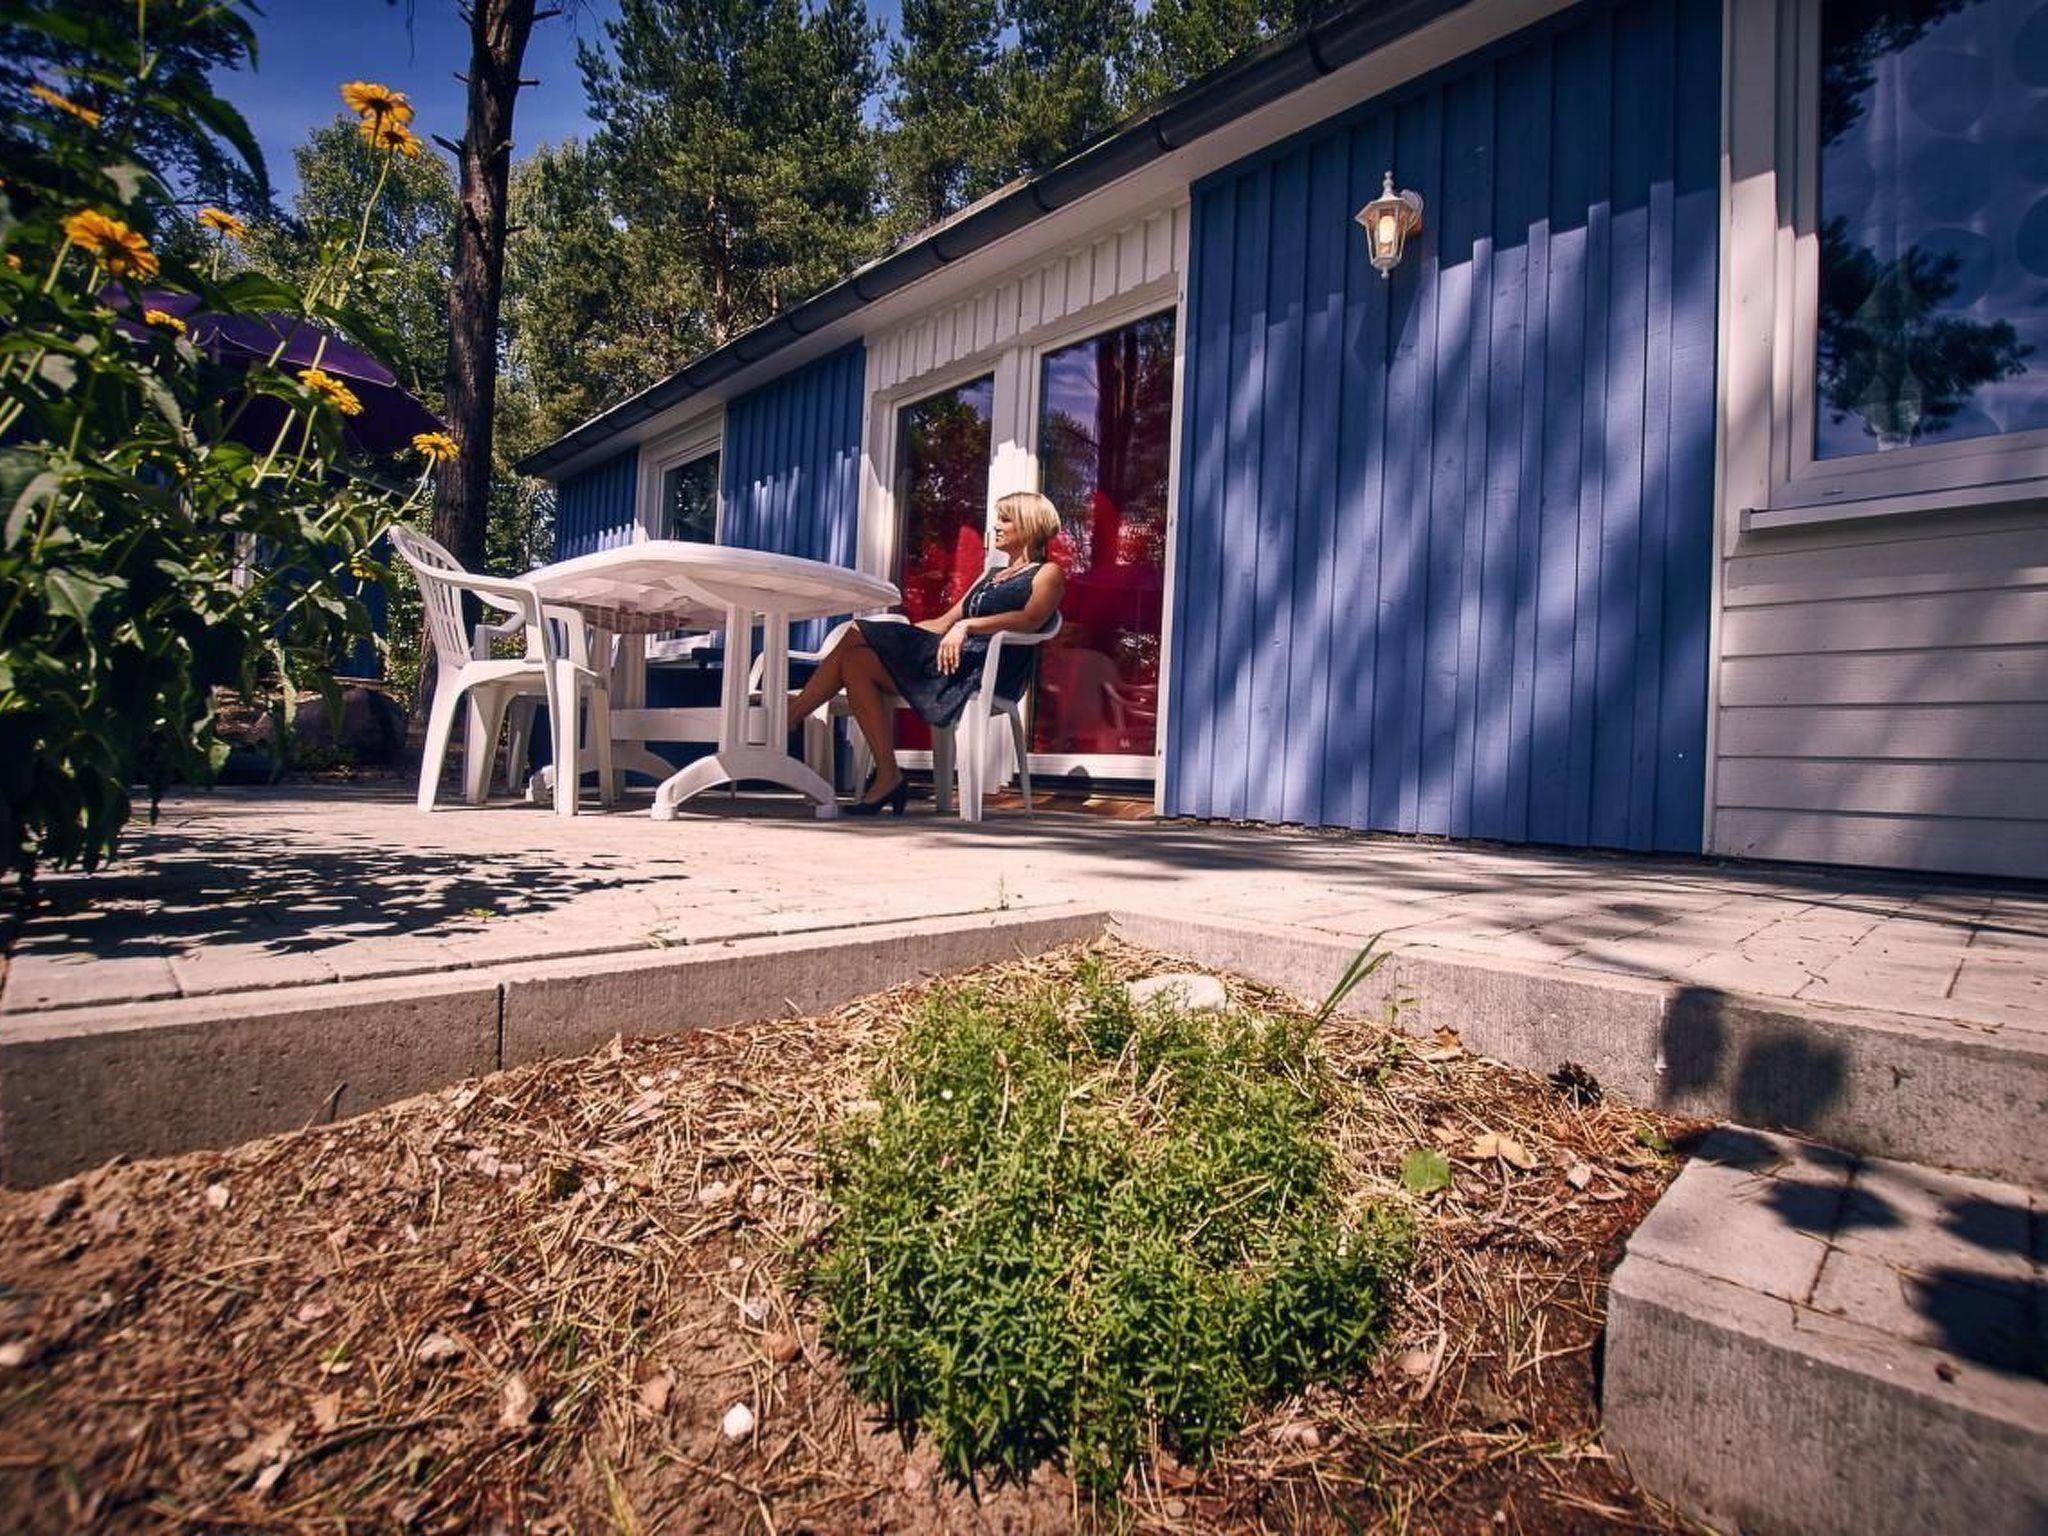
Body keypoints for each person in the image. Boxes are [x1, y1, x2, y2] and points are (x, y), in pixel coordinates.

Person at [789, 491, 1066, 816]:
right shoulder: (990, 576)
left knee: (857, 633)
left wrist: (968, 627)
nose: (996, 526)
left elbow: (1031, 619)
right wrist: (900, 636)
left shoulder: (1047, 573)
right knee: (856, 659)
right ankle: (888, 774)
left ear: (1029, 525)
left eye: (1005, 519)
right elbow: (943, 623)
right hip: (952, 662)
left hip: (986, 670)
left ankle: (787, 721)